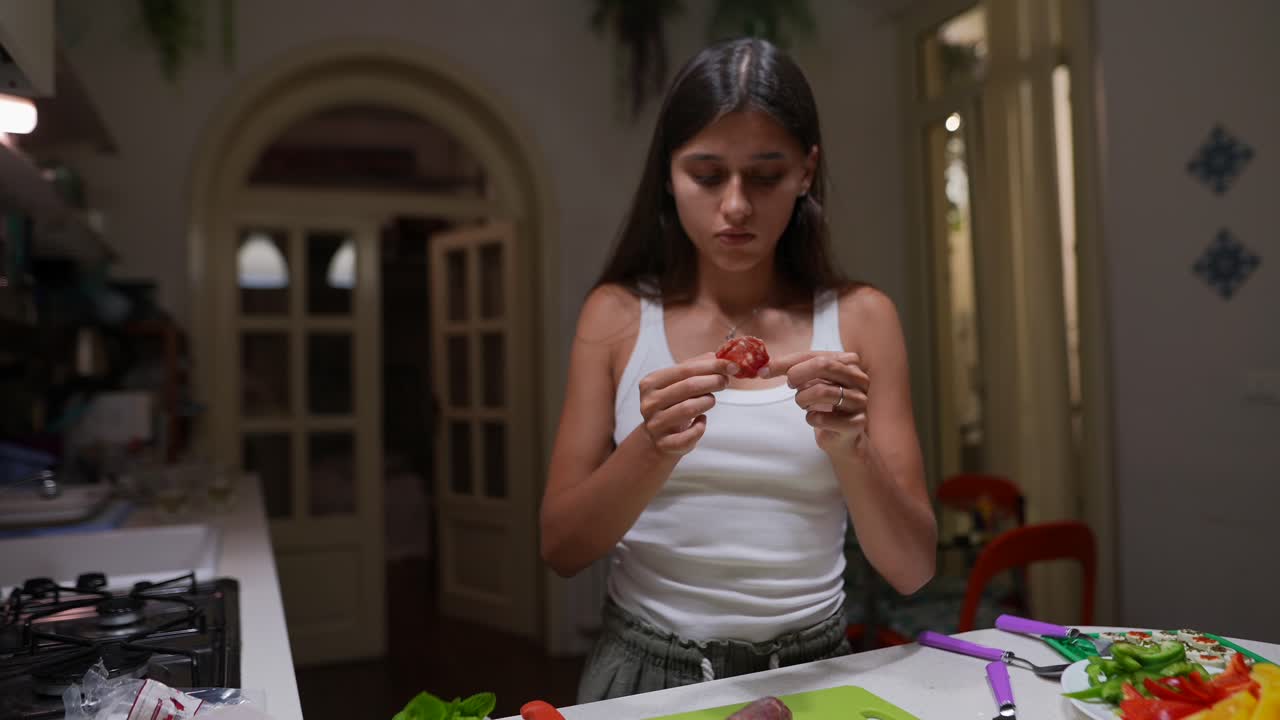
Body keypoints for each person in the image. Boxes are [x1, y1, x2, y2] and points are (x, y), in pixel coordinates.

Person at [540, 37, 938, 702]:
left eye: (764, 175)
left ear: (807, 171)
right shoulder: (615, 315)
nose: (735, 206)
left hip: (812, 675)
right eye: (706, 174)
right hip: (645, 674)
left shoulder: (864, 319)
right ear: (667, 174)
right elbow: (561, 549)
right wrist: (652, 444)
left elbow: (913, 569)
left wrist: (851, 446)